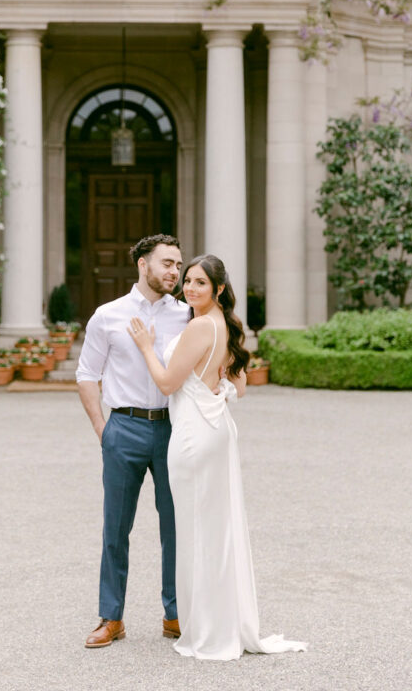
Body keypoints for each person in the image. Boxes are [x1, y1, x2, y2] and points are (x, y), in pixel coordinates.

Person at [128, 253, 307, 661]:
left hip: (193, 435)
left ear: (219, 289)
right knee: (215, 530)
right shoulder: (224, 326)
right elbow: (239, 387)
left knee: (198, 532)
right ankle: (218, 621)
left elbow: (168, 382)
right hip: (217, 431)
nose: (189, 288)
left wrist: (146, 347)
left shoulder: (198, 327)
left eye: (200, 283)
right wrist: (217, 383)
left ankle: (208, 630)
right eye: (187, 280)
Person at [76, 234, 189, 649]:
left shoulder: (188, 315)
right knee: (115, 528)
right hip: (123, 428)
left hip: (174, 429)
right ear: (143, 264)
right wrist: (104, 431)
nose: (175, 272)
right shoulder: (108, 315)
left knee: (176, 526)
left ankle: (175, 614)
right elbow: (86, 374)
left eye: (178, 264)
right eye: (167, 264)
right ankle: (111, 618)